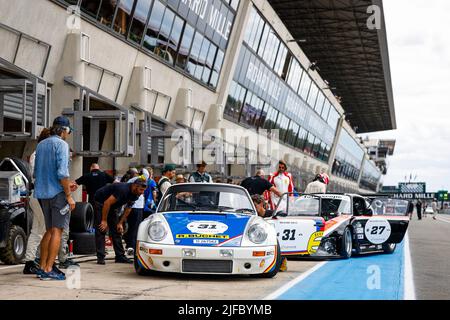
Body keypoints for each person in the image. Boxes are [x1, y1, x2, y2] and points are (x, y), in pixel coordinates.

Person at [34, 116, 77, 280]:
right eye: (69, 131)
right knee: (58, 231)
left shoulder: (41, 145)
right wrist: (68, 194)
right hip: (58, 194)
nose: (68, 134)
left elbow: (37, 172)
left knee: (49, 231)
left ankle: (43, 266)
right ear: (64, 130)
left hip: (42, 193)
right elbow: (62, 173)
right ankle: (49, 268)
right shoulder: (62, 144)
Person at [93, 178, 147, 265]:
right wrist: (104, 220)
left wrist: (120, 223)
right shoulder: (123, 189)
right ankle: (100, 257)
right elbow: (107, 203)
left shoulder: (136, 195)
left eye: (144, 190)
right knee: (102, 228)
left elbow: (128, 209)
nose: (142, 192)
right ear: (134, 186)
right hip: (101, 201)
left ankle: (120, 256)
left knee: (116, 231)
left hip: (113, 205)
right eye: (141, 189)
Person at [124, 169, 150, 256]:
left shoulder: (130, 181)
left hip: (133, 207)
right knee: (135, 228)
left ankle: (129, 245)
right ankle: (131, 246)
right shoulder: (137, 179)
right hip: (136, 207)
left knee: (132, 227)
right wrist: (142, 170)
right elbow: (146, 174)